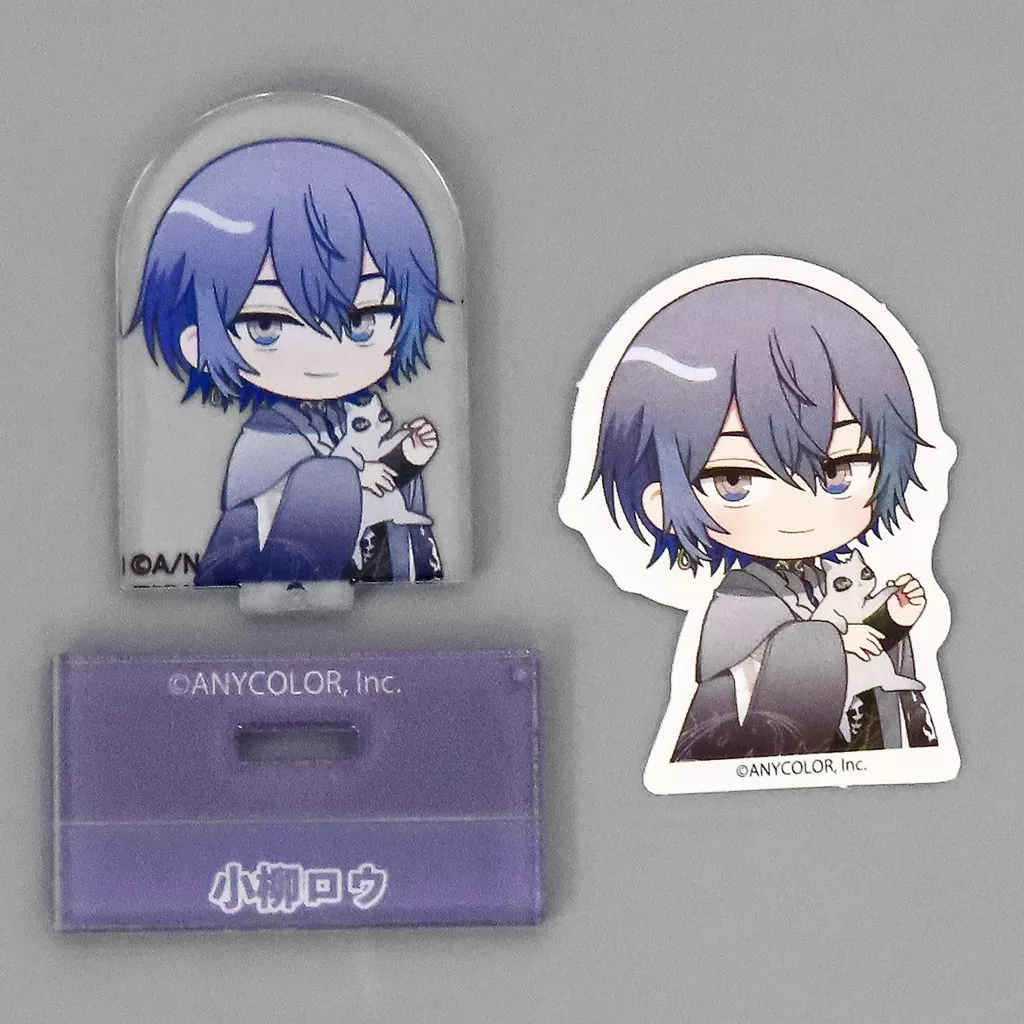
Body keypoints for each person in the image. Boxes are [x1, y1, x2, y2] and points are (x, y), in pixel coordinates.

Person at [589, 277, 937, 758]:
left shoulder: (829, 574)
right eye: (735, 480)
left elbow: (860, 659)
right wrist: (834, 643)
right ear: (663, 505)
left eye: (837, 471)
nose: (799, 506)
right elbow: (747, 683)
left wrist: (889, 622)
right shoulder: (739, 600)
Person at [132, 139, 444, 585]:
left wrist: (404, 459)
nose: (323, 351)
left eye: (362, 321)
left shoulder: (358, 410)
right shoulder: (267, 435)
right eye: (266, 325)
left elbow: (381, 494)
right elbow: (273, 504)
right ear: (197, 344)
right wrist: (353, 476)